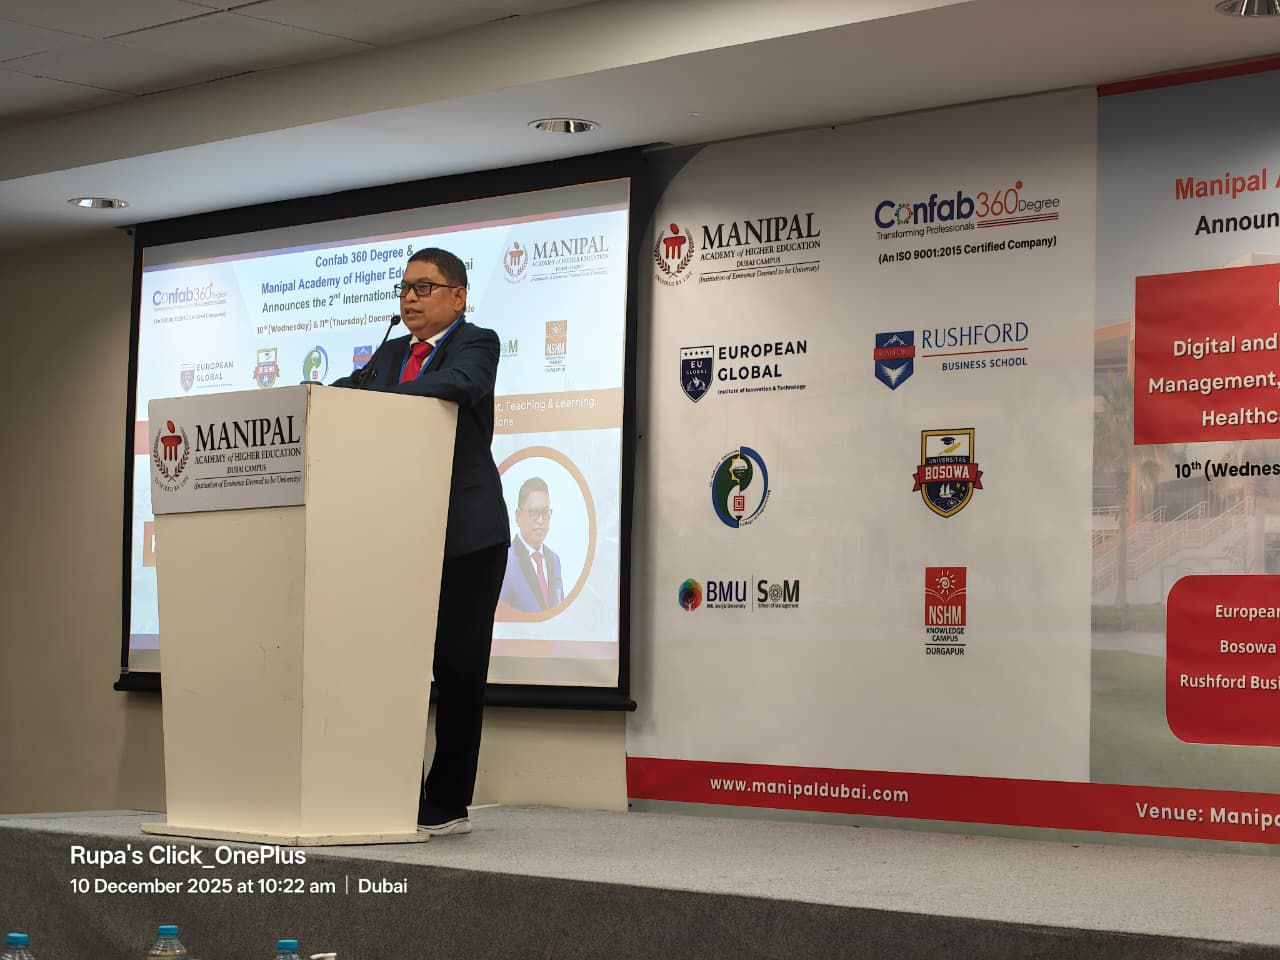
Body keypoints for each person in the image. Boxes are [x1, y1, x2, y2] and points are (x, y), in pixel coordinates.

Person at [332, 247, 509, 837]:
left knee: (458, 669)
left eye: (424, 287)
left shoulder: (476, 343)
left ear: (458, 296)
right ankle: (393, 789)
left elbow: (458, 386)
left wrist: (371, 399)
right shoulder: (389, 355)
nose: (410, 298)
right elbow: (349, 393)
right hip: (396, 536)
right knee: (391, 666)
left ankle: (448, 800)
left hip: (466, 536)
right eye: (405, 288)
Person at [500, 476, 564, 612]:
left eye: (545, 512)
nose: (541, 520)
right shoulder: (506, 561)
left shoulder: (554, 560)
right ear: (518, 516)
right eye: (534, 512)